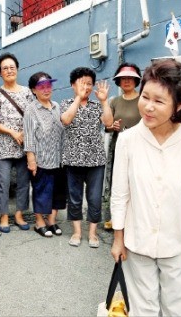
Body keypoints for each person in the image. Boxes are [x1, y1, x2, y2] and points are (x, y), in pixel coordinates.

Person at [110, 59, 181, 315]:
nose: (148, 107)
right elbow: (120, 193)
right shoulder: (128, 140)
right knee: (144, 309)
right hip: (136, 241)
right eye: (145, 97)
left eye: (159, 101)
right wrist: (118, 239)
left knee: (176, 309)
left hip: (176, 243)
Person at [60, 67, 113, 248]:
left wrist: (105, 102)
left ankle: (92, 233)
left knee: (95, 197)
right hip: (73, 159)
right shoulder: (66, 103)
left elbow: (108, 123)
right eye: (82, 83)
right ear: (73, 85)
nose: (86, 87)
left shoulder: (97, 105)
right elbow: (66, 120)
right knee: (74, 197)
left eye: (89, 84)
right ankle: (77, 232)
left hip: (95, 159)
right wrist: (78, 98)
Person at [0, 52, 34, 232]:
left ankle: (18, 214)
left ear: (17, 69)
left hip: (24, 145)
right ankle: (3, 216)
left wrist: (23, 133)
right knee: (3, 182)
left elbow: (33, 115)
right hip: (2, 146)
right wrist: (12, 132)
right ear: (0, 73)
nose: (9, 71)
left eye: (12, 67)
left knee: (24, 182)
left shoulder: (27, 92)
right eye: (5, 68)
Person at [24, 72, 67, 237]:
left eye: (48, 85)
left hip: (59, 159)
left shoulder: (57, 106)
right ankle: (39, 222)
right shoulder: (31, 109)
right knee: (41, 191)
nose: (46, 89)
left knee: (57, 191)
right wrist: (31, 159)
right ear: (34, 90)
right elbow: (28, 136)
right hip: (41, 159)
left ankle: (52, 220)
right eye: (41, 86)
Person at [102, 63, 142, 230]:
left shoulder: (143, 99)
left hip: (140, 148)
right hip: (118, 147)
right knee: (118, 183)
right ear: (118, 81)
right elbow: (107, 125)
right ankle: (116, 218)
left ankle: (136, 219)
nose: (126, 81)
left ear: (136, 80)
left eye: (130, 78)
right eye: (123, 78)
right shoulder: (115, 101)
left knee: (138, 182)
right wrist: (113, 127)